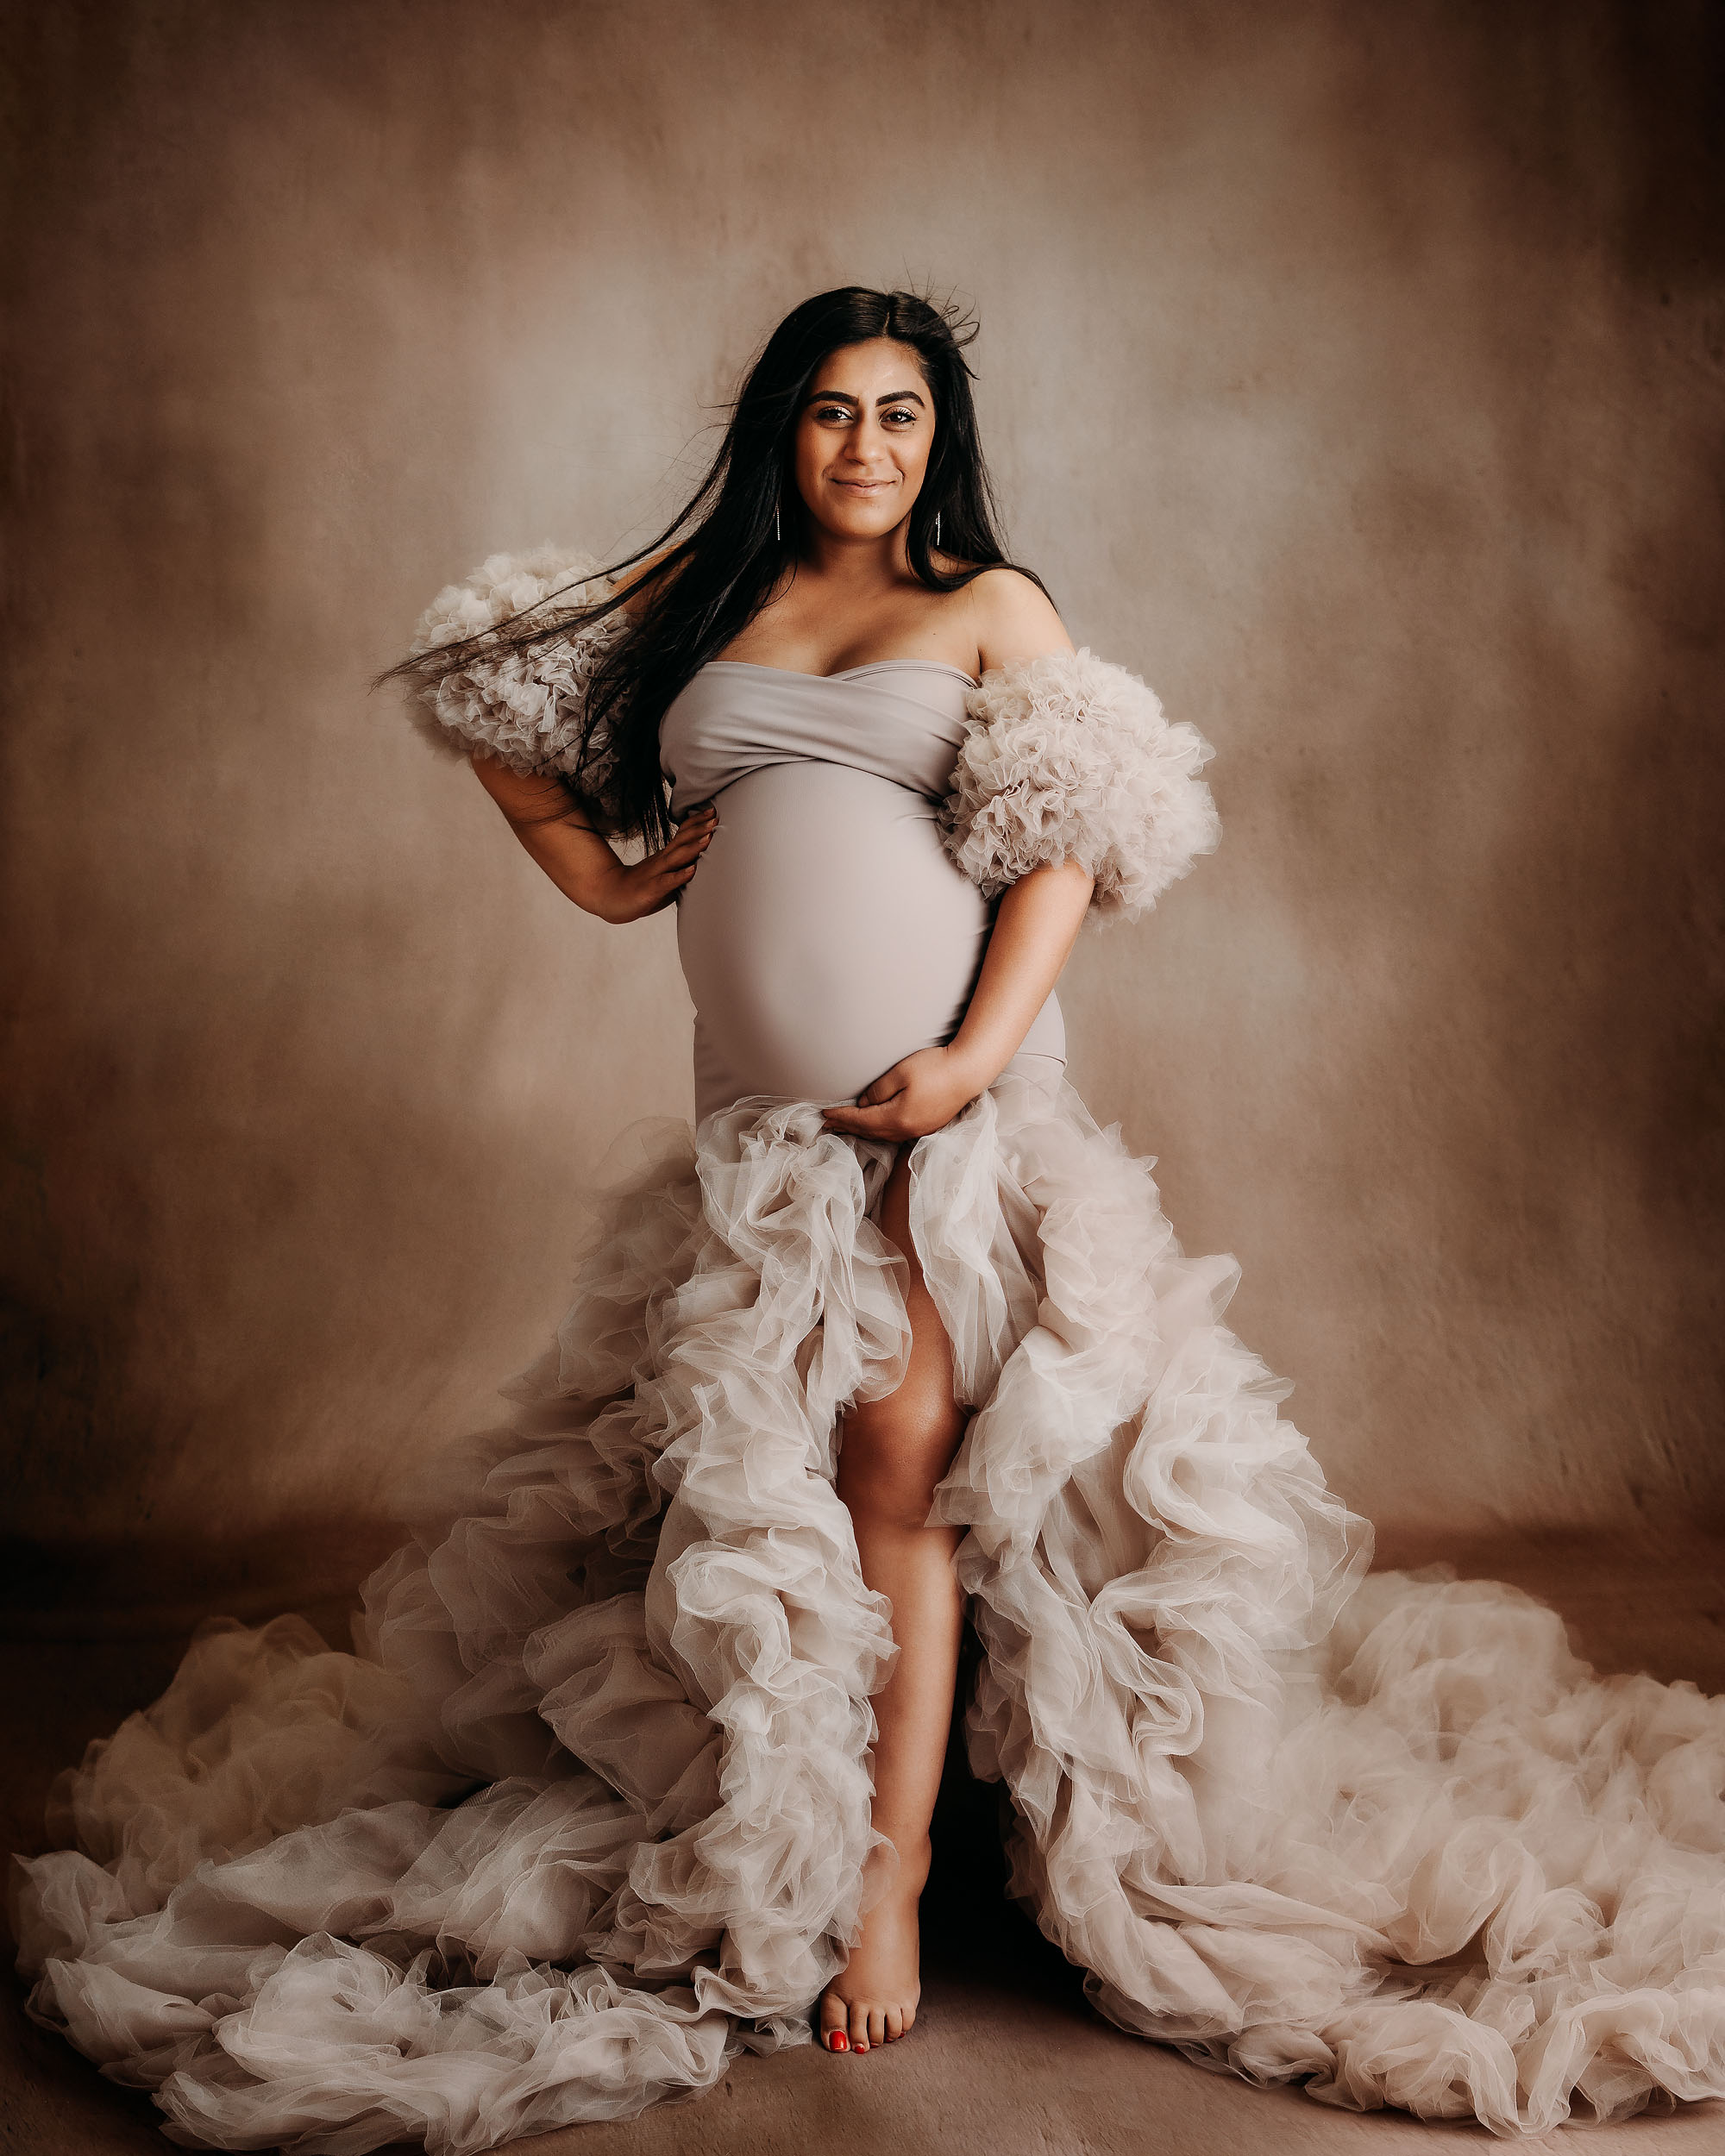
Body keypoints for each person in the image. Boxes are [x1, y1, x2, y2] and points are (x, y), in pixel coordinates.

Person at [16, 288, 1725, 2153]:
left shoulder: (990, 605)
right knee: (787, 1484)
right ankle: (801, 1808)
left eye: (900, 416)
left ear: (939, 439)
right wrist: (595, 868)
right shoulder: (704, 607)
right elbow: (480, 675)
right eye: (833, 413)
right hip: (761, 1136)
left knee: (901, 1448)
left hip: (952, 1112)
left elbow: (1066, 851)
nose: (865, 448)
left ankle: (894, 1873)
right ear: (783, 429)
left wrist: (971, 1055)